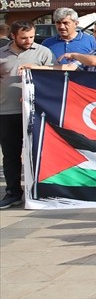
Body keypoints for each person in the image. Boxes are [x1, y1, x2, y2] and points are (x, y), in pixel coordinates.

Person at [0, 21, 55, 209]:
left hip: (36, 112)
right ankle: (13, 192)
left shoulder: (43, 52)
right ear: (13, 36)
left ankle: (42, 191)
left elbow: (56, 75)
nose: (29, 41)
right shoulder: (1, 54)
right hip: (7, 112)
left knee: (38, 152)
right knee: (10, 155)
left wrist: (37, 68)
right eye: (24, 38)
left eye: (31, 36)